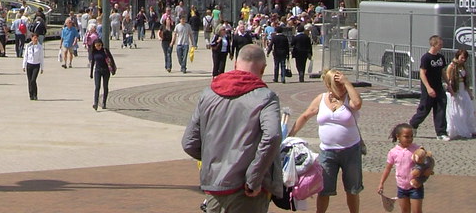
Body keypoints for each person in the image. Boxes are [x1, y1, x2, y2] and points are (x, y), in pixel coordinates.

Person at [182, 44, 282, 212]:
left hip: (215, 185)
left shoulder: (208, 94)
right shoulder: (266, 97)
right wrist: (254, 177)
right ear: (263, 68)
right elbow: (272, 136)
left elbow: (189, 142)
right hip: (246, 190)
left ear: (235, 64)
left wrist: (215, 159)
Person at [288, 68, 364, 213]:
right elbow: (305, 116)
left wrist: (347, 82)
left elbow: (357, 104)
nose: (341, 88)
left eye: (342, 84)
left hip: (351, 150)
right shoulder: (321, 99)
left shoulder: (349, 97)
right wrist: (290, 136)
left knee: (352, 189)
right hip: (327, 151)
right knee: (323, 189)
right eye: (338, 85)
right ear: (329, 86)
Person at [378, 123, 426, 213]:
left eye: (412, 136)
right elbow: (387, 168)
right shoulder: (393, 152)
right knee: (404, 210)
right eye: (406, 136)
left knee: (417, 211)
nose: (410, 139)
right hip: (401, 187)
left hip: (415, 186)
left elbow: (425, 160)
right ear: (398, 136)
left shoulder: (416, 149)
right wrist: (381, 183)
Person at [409, 35, 448, 140]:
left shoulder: (440, 57)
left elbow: (442, 72)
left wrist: (449, 83)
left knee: (441, 108)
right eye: (440, 44)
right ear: (434, 44)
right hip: (428, 88)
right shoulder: (426, 58)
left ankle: (441, 132)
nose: (441, 46)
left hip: (439, 87)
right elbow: (422, 73)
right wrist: (428, 88)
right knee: (424, 109)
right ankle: (413, 124)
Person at [445, 48, 474, 139]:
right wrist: (452, 92)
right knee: (457, 111)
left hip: (463, 89)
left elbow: (466, 81)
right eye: (462, 57)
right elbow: (448, 80)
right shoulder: (451, 66)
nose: (463, 59)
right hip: (455, 89)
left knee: (467, 109)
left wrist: (469, 92)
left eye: (465, 58)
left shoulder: (463, 66)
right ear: (457, 56)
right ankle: (456, 130)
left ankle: (467, 128)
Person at [89, 37, 117, 110]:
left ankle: (104, 102)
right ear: (94, 46)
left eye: (100, 45)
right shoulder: (93, 52)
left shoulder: (105, 50)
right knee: (97, 87)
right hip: (97, 70)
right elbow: (92, 63)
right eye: (97, 45)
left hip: (106, 70)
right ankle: (95, 103)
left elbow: (111, 59)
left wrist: (113, 69)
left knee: (105, 86)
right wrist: (91, 73)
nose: (99, 47)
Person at [22, 31, 44, 100]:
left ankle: (35, 94)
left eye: (36, 38)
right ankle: (31, 94)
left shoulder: (40, 47)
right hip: (29, 64)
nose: (35, 39)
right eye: (34, 38)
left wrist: (42, 67)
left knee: (33, 80)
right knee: (29, 80)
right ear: (32, 38)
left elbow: (41, 57)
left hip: (36, 65)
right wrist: (23, 65)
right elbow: (25, 56)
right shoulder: (28, 46)